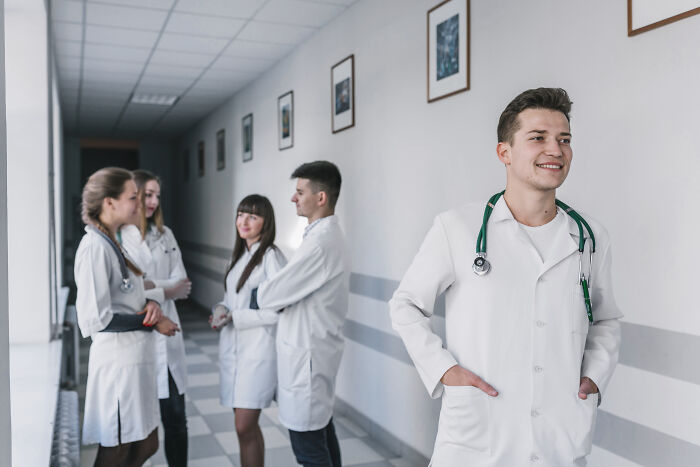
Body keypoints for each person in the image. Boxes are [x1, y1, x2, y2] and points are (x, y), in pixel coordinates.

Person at [389, 88, 623, 466]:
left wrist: (595, 375)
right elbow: (406, 305)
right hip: (478, 438)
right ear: (504, 153)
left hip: (558, 440)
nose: (556, 149)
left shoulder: (590, 237)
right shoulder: (458, 228)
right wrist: (443, 370)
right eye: (538, 138)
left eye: (564, 140)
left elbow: (606, 317)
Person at [74, 167, 179, 466]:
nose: (139, 204)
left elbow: (124, 295)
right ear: (109, 202)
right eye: (133, 197)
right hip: (119, 365)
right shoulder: (94, 248)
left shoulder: (112, 241)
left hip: (135, 361)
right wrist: (151, 320)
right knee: (117, 449)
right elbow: (96, 319)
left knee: (147, 444)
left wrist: (148, 304)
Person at [250, 161, 349, 467]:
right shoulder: (320, 236)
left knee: (309, 448)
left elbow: (268, 296)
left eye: (299, 192)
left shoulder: (320, 243)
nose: (293, 198)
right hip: (311, 353)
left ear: (321, 198)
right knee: (320, 434)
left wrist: (263, 292)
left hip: (307, 358)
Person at [120, 169, 192, 467]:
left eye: (156, 196)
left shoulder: (165, 235)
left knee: (176, 419)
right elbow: (127, 292)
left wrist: (151, 287)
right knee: (140, 429)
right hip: (137, 338)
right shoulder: (119, 236)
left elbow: (184, 284)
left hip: (168, 337)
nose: (152, 201)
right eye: (147, 195)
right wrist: (164, 289)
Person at [209, 194, 287, 467]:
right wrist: (221, 310)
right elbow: (230, 300)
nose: (244, 221)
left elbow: (279, 311)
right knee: (246, 430)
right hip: (235, 350)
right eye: (241, 214)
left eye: (253, 216)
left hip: (258, 353)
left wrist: (235, 317)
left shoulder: (271, 258)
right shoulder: (239, 257)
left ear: (266, 223)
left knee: (244, 426)